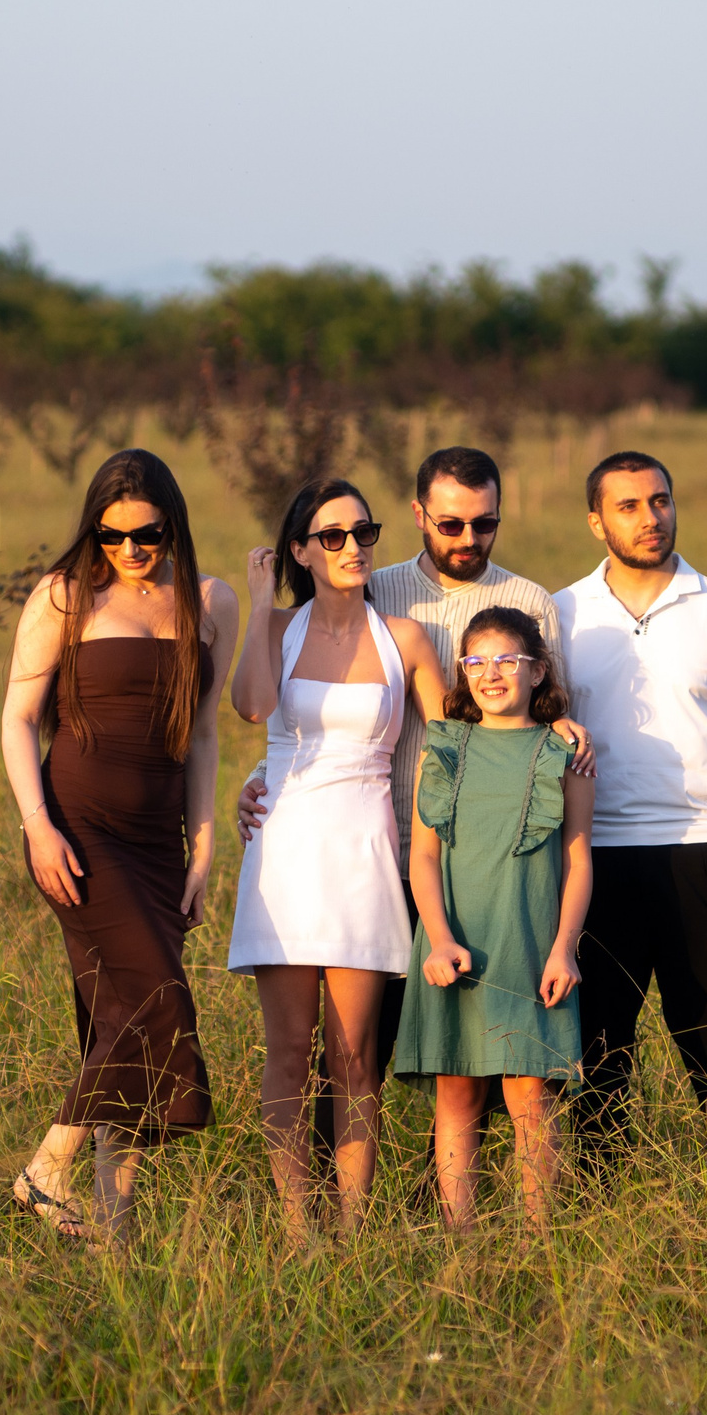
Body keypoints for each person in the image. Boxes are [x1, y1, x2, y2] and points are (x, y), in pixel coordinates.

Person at [234, 447, 592, 1156]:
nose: (468, 537)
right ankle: (319, 1210)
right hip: (328, 848)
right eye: (451, 523)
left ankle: (427, 1201)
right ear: (420, 515)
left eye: (484, 523)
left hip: (427, 853)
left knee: (410, 1054)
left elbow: (462, 722)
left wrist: (553, 723)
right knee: (320, 1051)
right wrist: (263, 764)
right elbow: (269, 710)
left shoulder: (494, 610)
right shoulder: (366, 596)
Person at [1, 449, 241, 1245]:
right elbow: (16, 718)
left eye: (148, 534)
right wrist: (37, 825)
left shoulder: (210, 602)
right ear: (93, 530)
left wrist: (203, 848)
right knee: (153, 1002)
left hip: (159, 841)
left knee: (119, 1018)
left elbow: (202, 734)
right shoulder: (64, 596)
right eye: (112, 535)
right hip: (77, 832)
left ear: (173, 525)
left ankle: (116, 1228)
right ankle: (46, 1169)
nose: (131, 549)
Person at [226, 476, 451, 1241]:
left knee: (354, 1055)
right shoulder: (278, 627)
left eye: (363, 532)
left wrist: (552, 726)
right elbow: (252, 707)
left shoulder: (404, 638)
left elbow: (455, 741)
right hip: (284, 852)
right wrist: (260, 602)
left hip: (364, 854)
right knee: (289, 1052)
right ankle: (299, 1230)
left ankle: (352, 1230)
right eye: (332, 536)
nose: (352, 547)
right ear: (301, 550)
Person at [554, 450, 707, 1166]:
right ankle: (596, 1196)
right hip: (591, 858)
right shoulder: (560, 614)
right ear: (596, 522)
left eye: (660, 500)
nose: (650, 517)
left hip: (702, 854)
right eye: (628, 506)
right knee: (595, 1051)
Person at [397, 608, 594, 1228]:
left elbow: (579, 860)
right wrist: (437, 939)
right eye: (476, 662)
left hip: (530, 942)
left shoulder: (563, 751)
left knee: (531, 1093)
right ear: (463, 672)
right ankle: (461, 1240)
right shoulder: (444, 747)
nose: (491, 673)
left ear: (537, 671)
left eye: (507, 660)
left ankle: (540, 1241)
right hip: (452, 941)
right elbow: (422, 857)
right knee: (457, 1090)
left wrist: (564, 948)